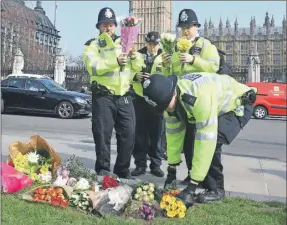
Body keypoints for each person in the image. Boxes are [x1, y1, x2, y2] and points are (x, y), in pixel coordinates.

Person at [141, 72, 256, 207]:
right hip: (215, 106)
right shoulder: (168, 100)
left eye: (166, 105)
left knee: (214, 140)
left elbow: (206, 141)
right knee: (191, 140)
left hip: (238, 105)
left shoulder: (198, 97)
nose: (166, 109)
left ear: (173, 93)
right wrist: (171, 172)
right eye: (162, 107)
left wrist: (191, 188)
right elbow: (173, 137)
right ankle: (201, 180)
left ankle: (216, 189)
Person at [82, 7, 144, 179]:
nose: (108, 28)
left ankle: (122, 169)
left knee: (129, 134)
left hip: (124, 95)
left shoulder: (125, 42)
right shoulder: (92, 45)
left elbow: (137, 67)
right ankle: (103, 168)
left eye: (111, 25)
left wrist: (134, 56)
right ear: (99, 27)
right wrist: (115, 61)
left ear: (116, 26)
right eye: (104, 25)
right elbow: (93, 67)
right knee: (102, 134)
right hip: (104, 96)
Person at [162, 9, 221, 186]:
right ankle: (191, 174)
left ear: (196, 27)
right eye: (183, 27)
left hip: (202, 102)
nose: (186, 31)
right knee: (188, 143)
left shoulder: (205, 45)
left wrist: (193, 60)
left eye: (189, 27)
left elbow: (214, 67)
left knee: (203, 142)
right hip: (183, 103)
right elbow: (171, 75)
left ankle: (208, 181)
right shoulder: (174, 47)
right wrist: (166, 64)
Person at [131, 31, 165, 177]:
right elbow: (128, 72)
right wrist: (135, 76)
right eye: (150, 44)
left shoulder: (165, 56)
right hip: (140, 99)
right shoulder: (137, 55)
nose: (153, 47)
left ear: (159, 44)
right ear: (146, 43)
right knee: (140, 134)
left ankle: (156, 165)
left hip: (157, 100)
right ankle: (140, 164)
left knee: (157, 134)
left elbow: (171, 74)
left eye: (155, 44)